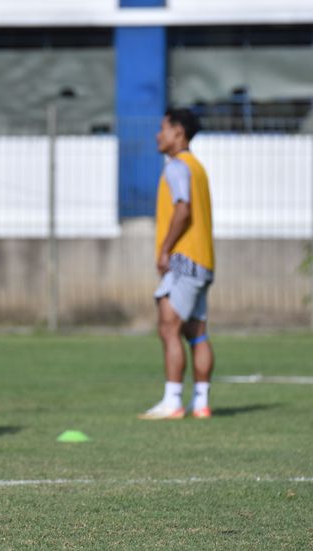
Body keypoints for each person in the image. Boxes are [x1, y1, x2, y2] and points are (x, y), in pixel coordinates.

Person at [139, 107, 215, 420]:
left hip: (183, 261)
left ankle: (172, 401)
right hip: (204, 259)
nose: (159, 135)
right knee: (196, 333)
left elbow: (182, 210)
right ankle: (202, 403)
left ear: (178, 132)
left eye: (164, 128)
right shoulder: (198, 167)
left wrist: (165, 250)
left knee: (168, 328)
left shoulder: (176, 167)